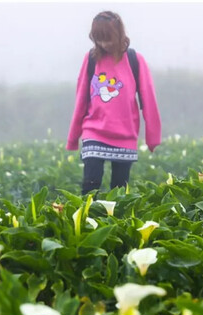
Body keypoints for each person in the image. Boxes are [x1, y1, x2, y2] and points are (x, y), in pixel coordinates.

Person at [66, 11, 161, 194]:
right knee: (90, 185)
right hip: (94, 131)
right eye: (99, 39)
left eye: (108, 39)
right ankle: (89, 221)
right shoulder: (92, 59)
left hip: (125, 135)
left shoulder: (135, 61)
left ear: (119, 34)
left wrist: (153, 137)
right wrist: (73, 138)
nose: (104, 44)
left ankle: (114, 222)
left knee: (119, 191)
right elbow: (81, 99)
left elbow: (148, 99)